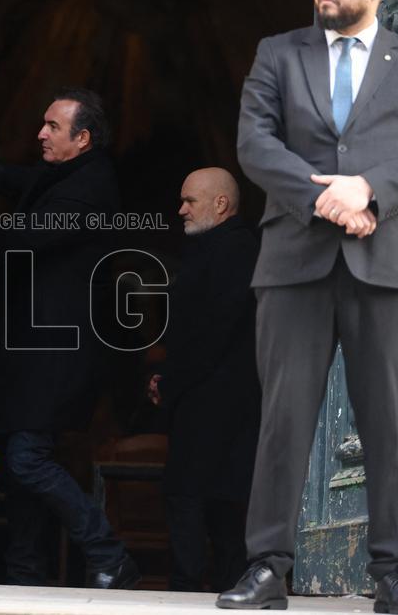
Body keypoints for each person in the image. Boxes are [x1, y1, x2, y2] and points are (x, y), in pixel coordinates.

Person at [216, 0, 398, 612]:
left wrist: (369, 191)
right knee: (283, 421)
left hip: (385, 265)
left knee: (386, 423)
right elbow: (256, 144)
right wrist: (324, 198)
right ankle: (267, 569)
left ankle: (391, 575)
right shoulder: (278, 54)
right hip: (294, 262)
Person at [0, 88, 139, 589]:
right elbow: (12, 179)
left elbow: (23, 236)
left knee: (26, 460)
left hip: (54, 356)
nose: (40, 133)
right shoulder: (67, 174)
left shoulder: (90, 185)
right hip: (30, 355)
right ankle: (25, 581)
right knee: (17, 472)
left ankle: (107, 551)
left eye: (52, 127)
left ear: (83, 138)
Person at [146, 167, 260, 593]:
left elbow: (213, 329)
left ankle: (189, 593)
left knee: (202, 501)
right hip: (205, 399)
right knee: (211, 502)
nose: (180, 209)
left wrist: (172, 381)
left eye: (189, 201)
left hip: (218, 404)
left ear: (220, 204)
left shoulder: (235, 249)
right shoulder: (215, 247)